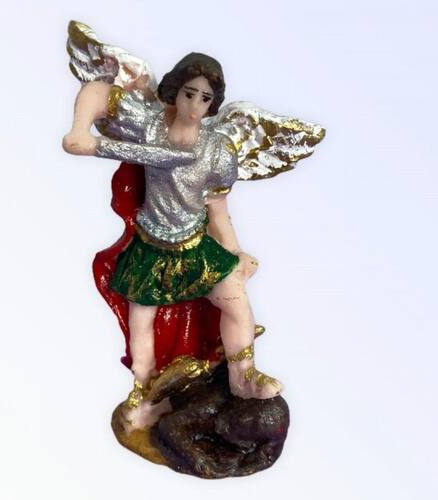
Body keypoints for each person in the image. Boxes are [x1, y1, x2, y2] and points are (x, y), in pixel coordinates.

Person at [63, 52, 283, 429]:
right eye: (189, 93)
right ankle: (146, 393)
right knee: (141, 328)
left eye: (205, 98)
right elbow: (98, 91)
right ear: (175, 91)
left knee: (237, 302)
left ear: (213, 104)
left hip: (196, 248)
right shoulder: (149, 125)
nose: (195, 105)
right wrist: (80, 131)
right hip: (150, 249)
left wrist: (234, 251)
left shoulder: (217, 152)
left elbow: (217, 208)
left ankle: (243, 377)